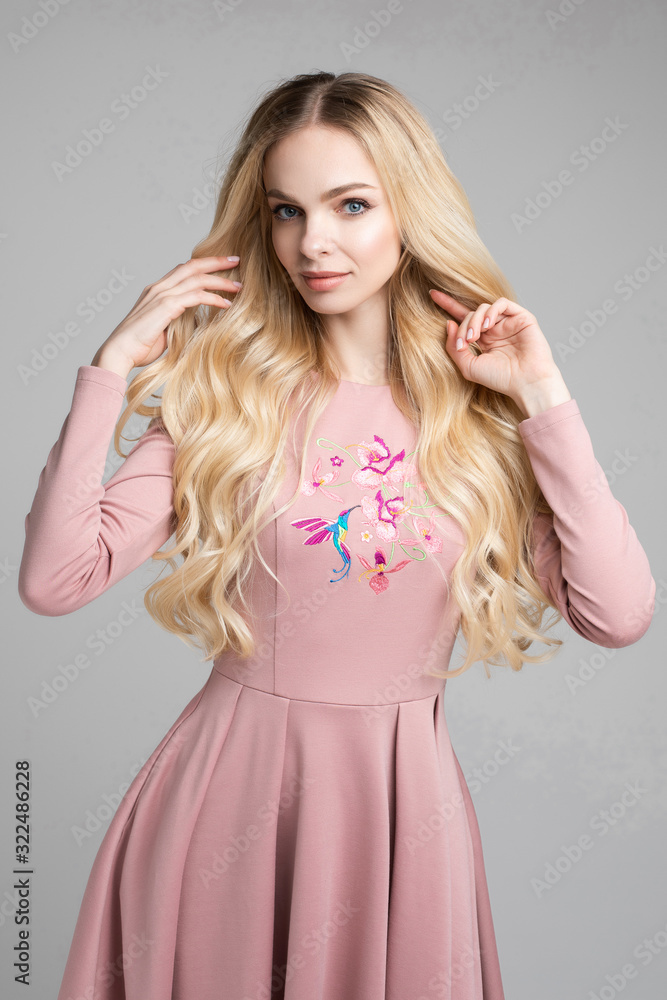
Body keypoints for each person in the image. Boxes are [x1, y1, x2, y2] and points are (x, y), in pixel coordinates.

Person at [19, 70, 655, 1000]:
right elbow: (55, 579)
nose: (312, 242)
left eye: (350, 205)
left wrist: (543, 397)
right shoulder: (225, 399)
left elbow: (620, 612)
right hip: (222, 808)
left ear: (409, 210)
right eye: (286, 211)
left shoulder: (479, 423)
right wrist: (111, 371)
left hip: (403, 823)